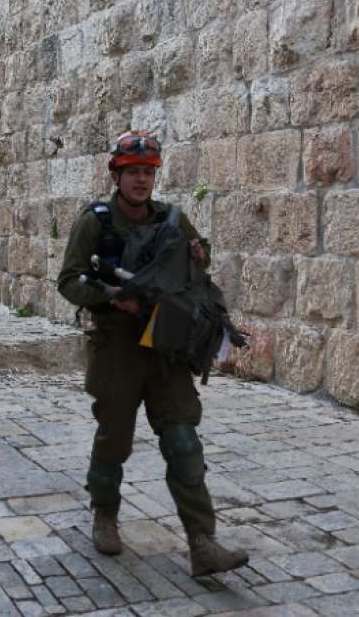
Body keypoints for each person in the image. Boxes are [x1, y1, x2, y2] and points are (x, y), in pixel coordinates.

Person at [56, 131, 249, 576]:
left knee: (183, 442)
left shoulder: (170, 218)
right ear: (116, 175)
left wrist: (199, 253)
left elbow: (199, 258)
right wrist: (109, 297)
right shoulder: (96, 222)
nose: (141, 181)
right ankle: (105, 514)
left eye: (148, 172)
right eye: (133, 172)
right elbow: (69, 281)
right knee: (114, 440)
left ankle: (203, 544)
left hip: (165, 346)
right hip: (118, 348)